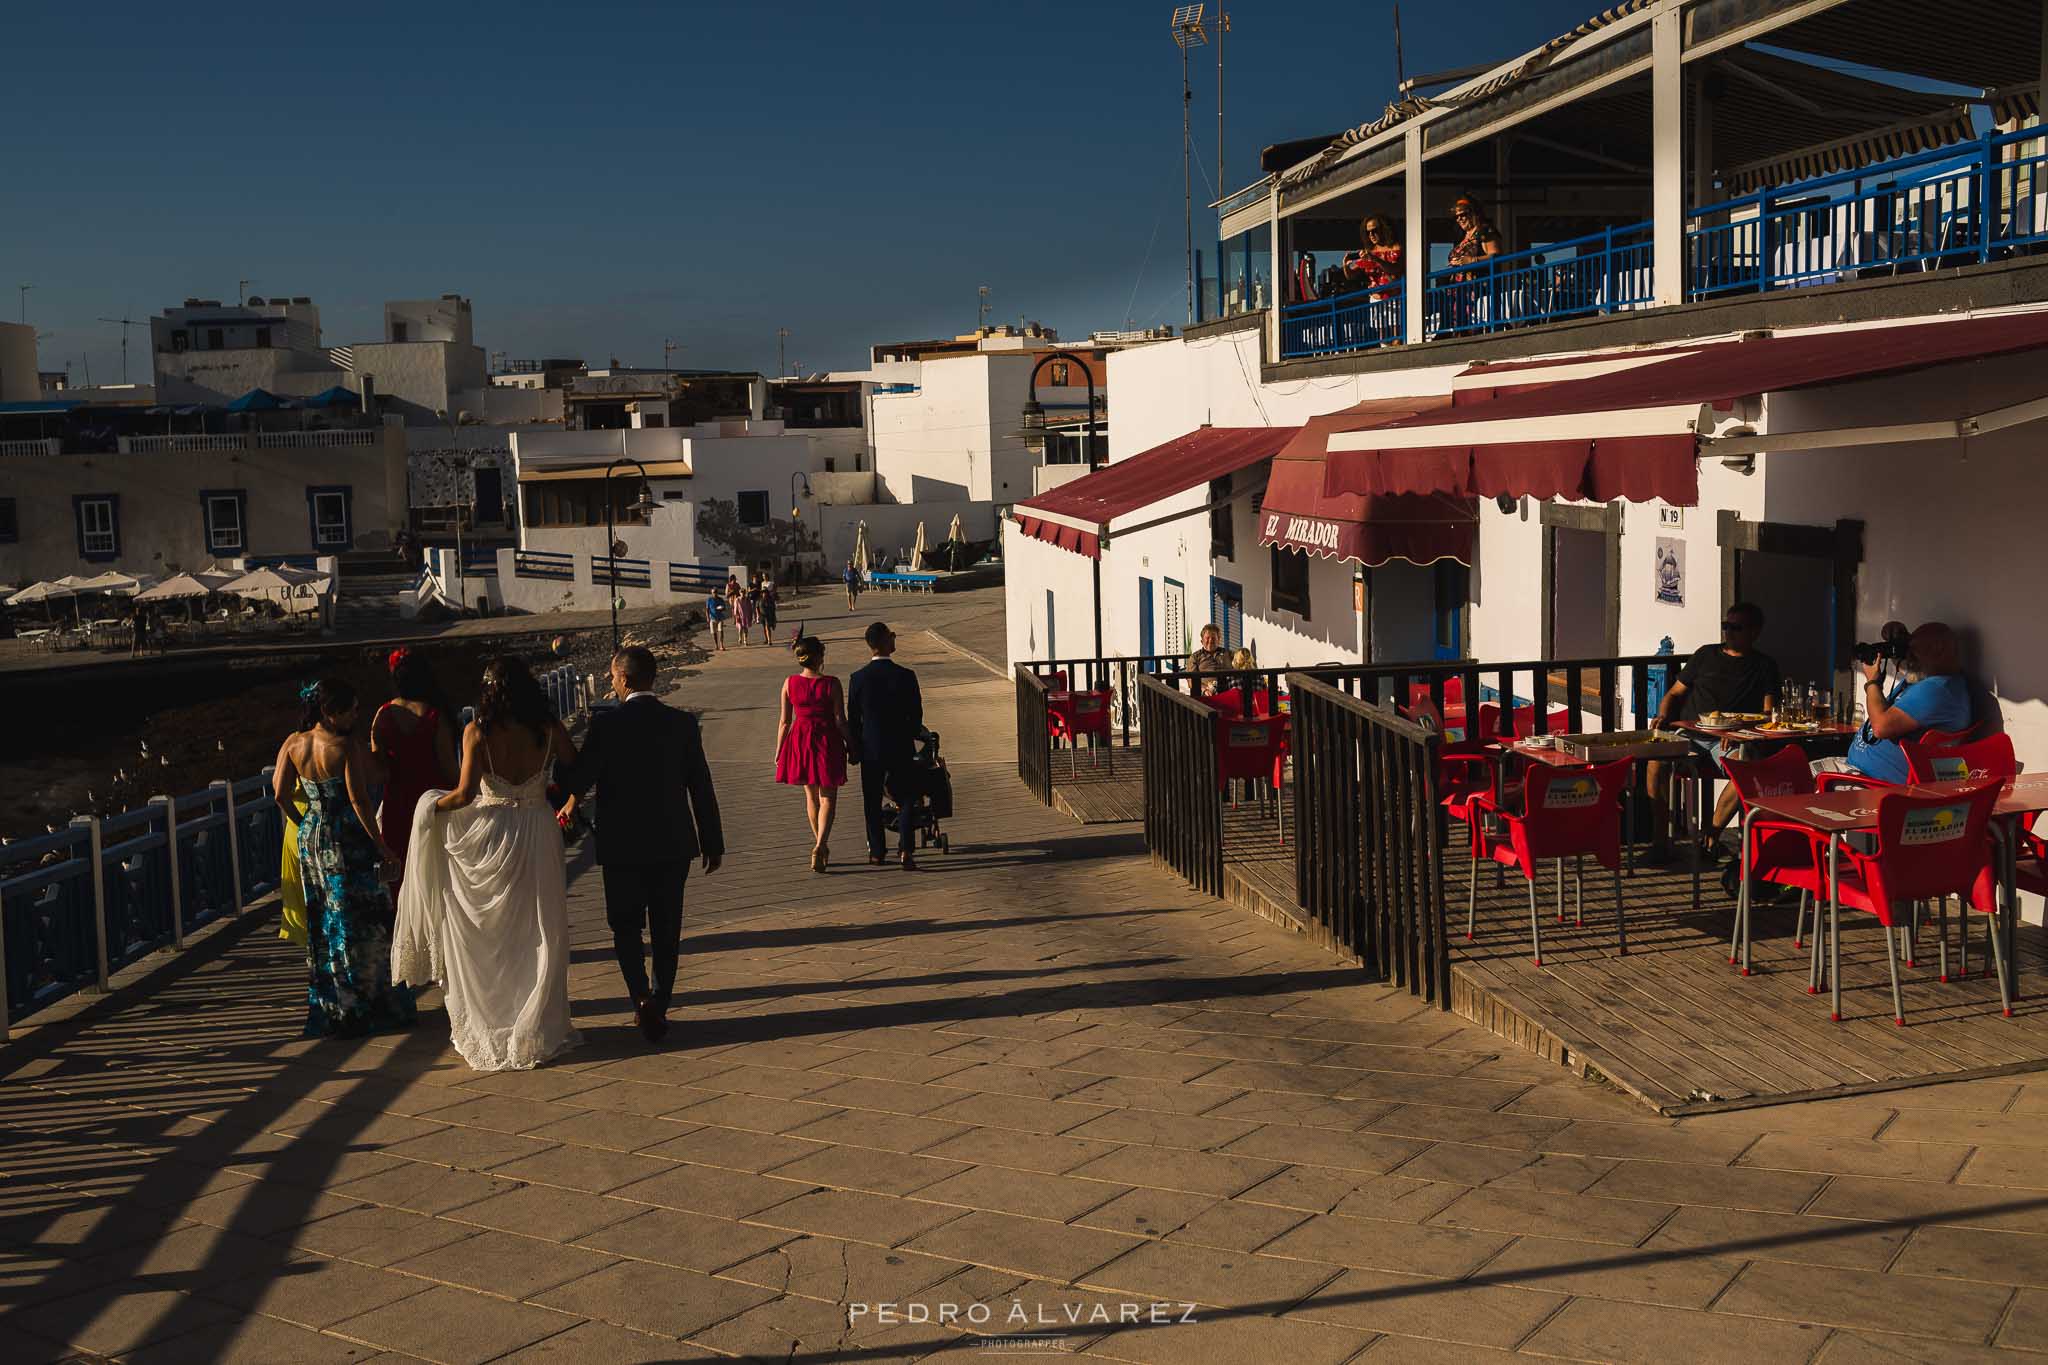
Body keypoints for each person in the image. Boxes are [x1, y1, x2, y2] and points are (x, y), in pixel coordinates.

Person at [393, 656, 582, 1072]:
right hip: (538, 827)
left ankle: (499, 1019)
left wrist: (427, 806)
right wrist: (568, 803)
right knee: (540, 927)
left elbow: (461, 795)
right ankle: (537, 1023)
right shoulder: (548, 727)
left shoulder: (477, 731)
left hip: (495, 832)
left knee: (496, 933)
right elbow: (574, 765)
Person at [557, 646, 723, 1042]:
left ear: (625, 679)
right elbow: (700, 785)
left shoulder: (607, 726)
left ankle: (641, 998)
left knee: (625, 926)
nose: (612, 684)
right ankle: (660, 1003)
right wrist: (712, 841)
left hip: (622, 846)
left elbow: (578, 781)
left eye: (613, 677)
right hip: (673, 844)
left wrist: (557, 747)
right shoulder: (681, 723)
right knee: (667, 928)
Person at [271, 678, 416, 1039]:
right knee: (364, 916)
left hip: (311, 836)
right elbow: (359, 800)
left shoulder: (293, 743)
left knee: (324, 917)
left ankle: (333, 1002)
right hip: (346, 837)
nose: (356, 714)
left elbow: (279, 794)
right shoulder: (345, 746)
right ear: (329, 712)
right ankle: (367, 1000)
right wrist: (380, 844)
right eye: (350, 709)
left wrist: (303, 822)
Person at [1646, 602, 1781, 864]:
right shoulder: (1705, 655)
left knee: (1746, 769)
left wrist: (1741, 729)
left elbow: (1768, 714)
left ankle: (1712, 836)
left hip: (1730, 738)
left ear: (1754, 632)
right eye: (1726, 626)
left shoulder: (1764, 665)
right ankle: (1659, 841)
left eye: (1736, 627)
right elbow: (1674, 693)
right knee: (1655, 762)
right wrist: (1663, 715)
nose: (1728, 632)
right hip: (1690, 732)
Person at [371, 648, 459, 908]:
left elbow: (378, 769)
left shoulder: (382, 715)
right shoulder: (434, 716)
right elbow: (449, 769)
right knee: (437, 874)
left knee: (403, 875)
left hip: (396, 803)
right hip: (433, 804)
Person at [1835, 621, 1972, 784]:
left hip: (1871, 783)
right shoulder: (1930, 678)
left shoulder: (1936, 690)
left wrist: (1872, 682)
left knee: (1799, 774)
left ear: (1939, 651)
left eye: (1914, 653)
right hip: (1857, 771)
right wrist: (1897, 636)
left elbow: (1880, 728)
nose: (1908, 658)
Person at [848, 621, 924, 869]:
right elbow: (916, 715)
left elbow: (854, 719)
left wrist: (855, 748)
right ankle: (906, 849)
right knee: (907, 797)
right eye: (892, 636)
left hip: (871, 749)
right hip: (900, 746)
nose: (895, 639)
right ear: (884, 642)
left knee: (871, 799)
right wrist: (911, 734)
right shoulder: (906, 676)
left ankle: (877, 852)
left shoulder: (857, 679)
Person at [775, 635, 850, 872]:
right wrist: (853, 743)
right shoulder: (832, 683)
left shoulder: (789, 683)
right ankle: (821, 844)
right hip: (827, 739)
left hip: (800, 739)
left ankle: (821, 844)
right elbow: (840, 719)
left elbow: (785, 722)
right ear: (819, 657)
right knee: (828, 796)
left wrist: (779, 751)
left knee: (811, 796)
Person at [1343, 215, 1403, 292]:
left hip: (1394, 299)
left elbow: (1395, 269)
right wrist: (1345, 267)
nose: (1371, 235)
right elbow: (1351, 275)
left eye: (1374, 230)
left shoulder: (1396, 248)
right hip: (1375, 300)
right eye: (1368, 232)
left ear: (1383, 229)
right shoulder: (1369, 251)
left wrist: (1375, 259)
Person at [1447, 194, 1504, 269]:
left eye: (1463, 214)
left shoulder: (1484, 231)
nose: (1459, 219)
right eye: (1456, 216)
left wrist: (1472, 260)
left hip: (1480, 279)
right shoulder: (1462, 236)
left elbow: (1496, 256)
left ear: (1474, 213)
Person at [1186, 624, 1232, 697]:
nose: (1210, 641)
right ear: (1202, 641)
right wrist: (1204, 690)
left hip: (1229, 692)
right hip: (1207, 694)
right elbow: (1190, 681)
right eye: (1207, 638)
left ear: (1219, 640)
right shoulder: (1195, 657)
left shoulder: (1228, 654)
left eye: (1213, 638)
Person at [734, 579, 756, 646]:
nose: (742, 593)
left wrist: (751, 616)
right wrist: (736, 615)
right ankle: (740, 637)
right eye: (741, 592)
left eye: (743, 592)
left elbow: (750, 608)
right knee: (740, 628)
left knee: (746, 629)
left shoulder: (747, 599)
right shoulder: (737, 599)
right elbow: (735, 608)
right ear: (740, 593)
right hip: (739, 616)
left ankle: (745, 640)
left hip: (746, 616)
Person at [759, 575, 779, 646]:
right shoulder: (761, 600)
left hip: (768, 615)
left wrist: (773, 616)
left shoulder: (770, 600)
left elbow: (773, 608)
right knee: (764, 627)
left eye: (765, 592)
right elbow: (758, 608)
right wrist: (758, 615)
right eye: (763, 592)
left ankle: (769, 640)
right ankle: (767, 639)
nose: (764, 593)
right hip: (763, 616)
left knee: (767, 627)